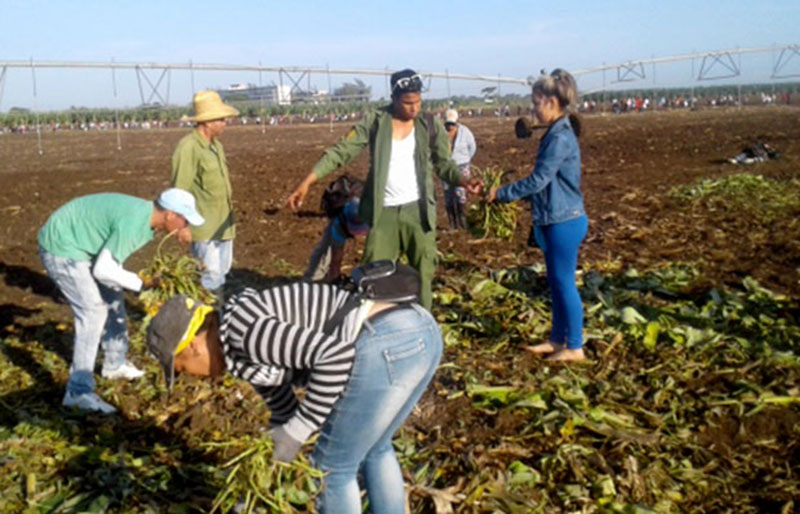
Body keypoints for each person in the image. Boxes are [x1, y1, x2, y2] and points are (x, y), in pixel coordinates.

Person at [146, 266, 442, 513]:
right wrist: (257, 482)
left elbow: (334, 357)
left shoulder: (243, 332)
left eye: (182, 369)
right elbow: (285, 415)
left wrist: (298, 430)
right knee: (375, 448)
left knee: (331, 467)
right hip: (420, 331)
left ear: (193, 346)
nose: (194, 378)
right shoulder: (241, 356)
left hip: (386, 340)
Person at [287, 68, 479, 310]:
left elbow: (444, 164)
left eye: (418, 101)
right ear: (393, 99)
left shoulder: (429, 124)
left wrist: (463, 181)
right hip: (382, 214)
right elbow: (341, 152)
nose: (414, 108)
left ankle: (423, 322)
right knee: (374, 277)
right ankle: (376, 324)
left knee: (423, 274)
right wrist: (308, 181)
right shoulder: (375, 122)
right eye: (407, 103)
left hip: (417, 213)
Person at [38, 188, 205, 413]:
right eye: (185, 221)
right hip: (62, 246)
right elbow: (103, 269)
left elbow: (108, 266)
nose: (187, 226)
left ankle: (114, 364)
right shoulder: (135, 224)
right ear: (170, 215)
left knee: (113, 296)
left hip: (82, 241)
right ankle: (78, 392)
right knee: (93, 312)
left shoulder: (146, 219)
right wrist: (142, 282)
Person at [486, 69, 588, 361]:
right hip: (555, 218)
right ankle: (557, 340)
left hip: (564, 220)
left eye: (536, 104)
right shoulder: (554, 133)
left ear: (552, 102)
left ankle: (575, 347)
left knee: (564, 283)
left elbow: (539, 180)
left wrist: (502, 193)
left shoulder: (560, 138)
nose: (533, 110)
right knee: (556, 282)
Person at [171, 90, 239, 301]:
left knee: (222, 272)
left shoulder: (216, 146)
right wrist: (181, 226)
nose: (225, 123)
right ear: (208, 122)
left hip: (223, 224)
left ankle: (217, 312)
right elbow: (179, 190)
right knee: (210, 277)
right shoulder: (188, 147)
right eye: (221, 119)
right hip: (203, 227)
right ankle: (209, 315)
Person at [303, 197, 369, 282]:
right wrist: (335, 279)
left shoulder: (375, 214)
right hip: (341, 211)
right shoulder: (338, 225)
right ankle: (312, 280)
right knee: (325, 248)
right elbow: (336, 257)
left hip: (372, 209)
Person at [442, 108, 477, 230]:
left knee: (460, 194)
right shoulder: (441, 133)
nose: (450, 126)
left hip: (462, 166)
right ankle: (453, 224)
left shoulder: (465, 132)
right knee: (448, 195)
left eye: (452, 124)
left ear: (457, 122)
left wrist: (465, 159)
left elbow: (472, 147)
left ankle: (462, 222)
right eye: (448, 124)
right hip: (446, 168)